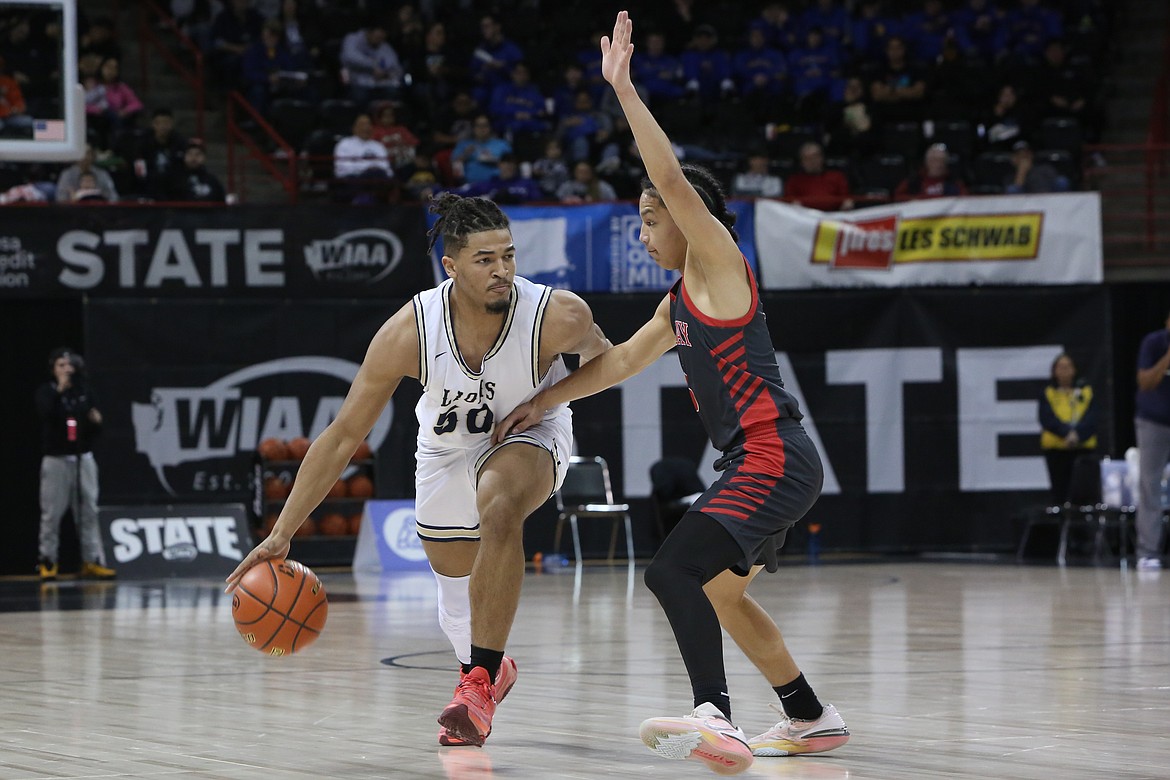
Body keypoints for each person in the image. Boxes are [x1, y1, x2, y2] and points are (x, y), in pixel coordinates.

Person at [495, 12, 849, 774]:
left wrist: (622, 90)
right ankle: (810, 716)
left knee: (668, 571)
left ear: (693, 220)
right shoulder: (677, 303)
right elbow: (619, 363)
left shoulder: (719, 259)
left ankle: (714, 716)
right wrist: (543, 400)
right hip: (763, 461)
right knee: (720, 593)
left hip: (772, 457)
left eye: (652, 220)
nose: (646, 231)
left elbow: (671, 179)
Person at [225, 193, 611, 747]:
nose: (502, 270)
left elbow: (609, 362)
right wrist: (281, 534)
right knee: (456, 595)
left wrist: (548, 401)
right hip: (446, 450)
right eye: (484, 260)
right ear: (450, 266)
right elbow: (341, 438)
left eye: (508, 255)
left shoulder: (556, 315)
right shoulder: (410, 331)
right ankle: (483, 672)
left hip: (531, 434)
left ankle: (477, 682)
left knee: (499, 504)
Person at [35, 348, 116, 581]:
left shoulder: (83, 391)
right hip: (56, 460)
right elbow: (45, 413)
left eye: (70, 365)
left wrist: (96, 421)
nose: (67, 369)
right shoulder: (47, 392)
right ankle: (48, 561)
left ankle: (92, 560)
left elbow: (95, 424)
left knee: (89, 511)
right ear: (53, 369)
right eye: (61, 365)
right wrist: (60, 389)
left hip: (83, 458)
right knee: (52, 513)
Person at [1134, 313, 1170, 571]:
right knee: (1150, 485)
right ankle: (1148, 551)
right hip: (1153, 422)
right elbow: (1146, 382)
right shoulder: (1153, 343)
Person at [1038, 353, 1097, 506]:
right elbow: (1047, 418)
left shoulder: (1086, 392)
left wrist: (1077, 435)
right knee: (1060, 494)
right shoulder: (1048, 393)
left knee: (1083, 494)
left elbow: (1092, 417)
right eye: (1060, 367)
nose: (1064, 371)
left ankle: (1082, 528)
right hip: (1057, 450)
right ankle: (1062, 526)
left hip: (1082, 449)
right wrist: (1066, 433)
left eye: (1068, 367)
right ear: (1054, 371)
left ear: (1074, 370)